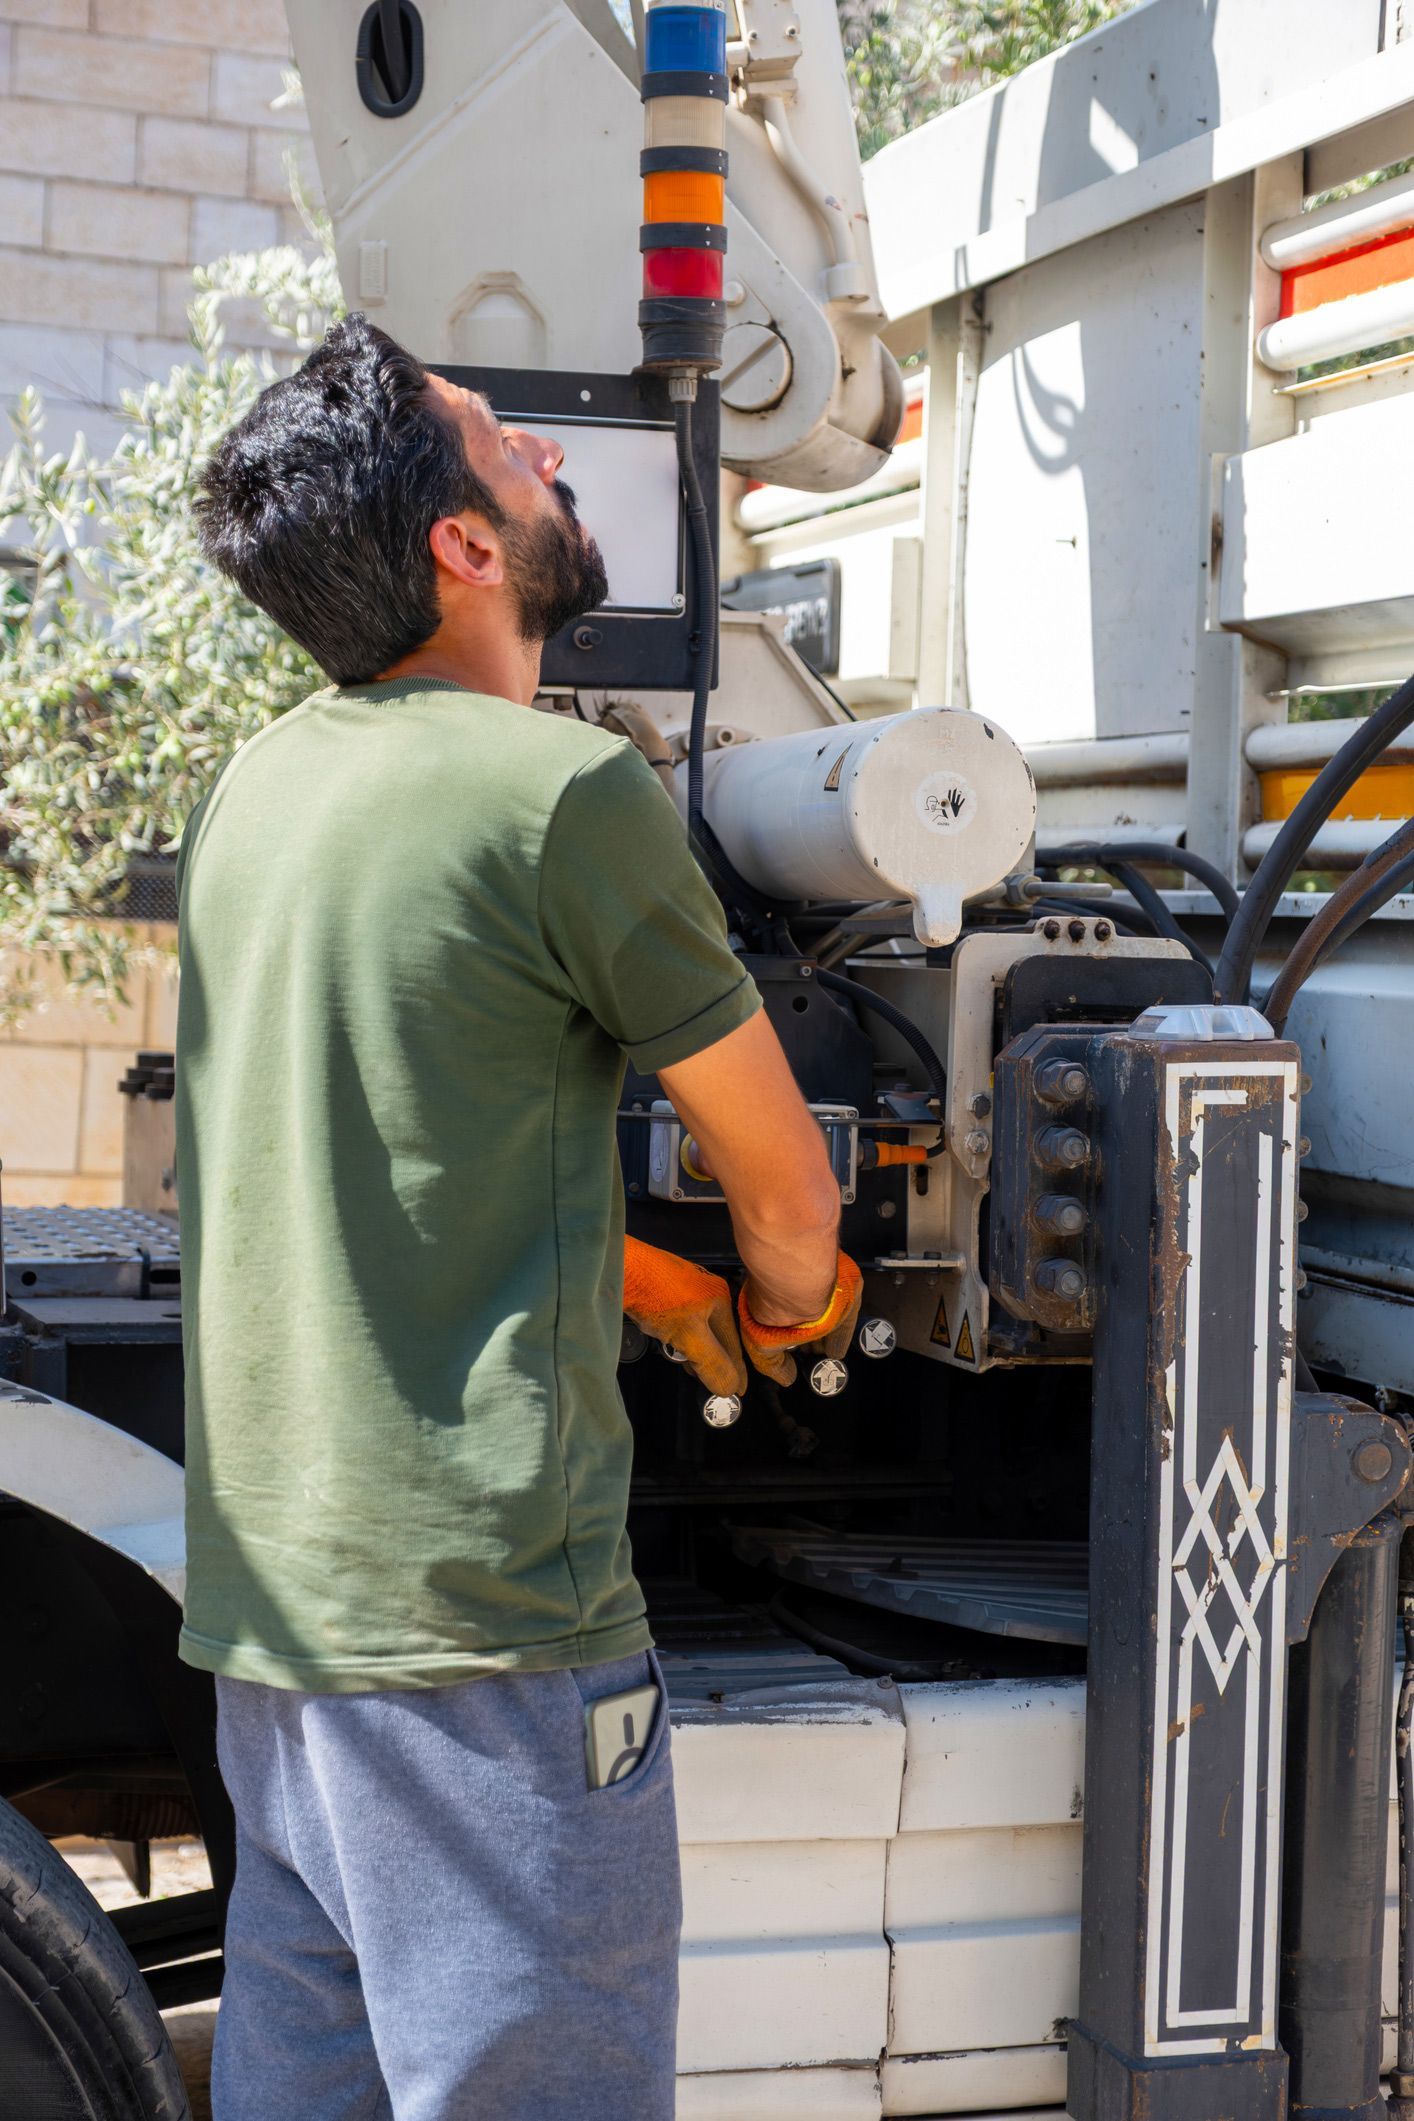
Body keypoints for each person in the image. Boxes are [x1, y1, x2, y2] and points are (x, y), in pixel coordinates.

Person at [178, 313, 861, 2121]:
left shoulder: (255, 791)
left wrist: (634, 1276)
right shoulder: (564, 790)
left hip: (283, 1642)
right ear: (462, 549)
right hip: (486, 1642)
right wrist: (794, 1294)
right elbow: (781, 1180)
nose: (554, 456)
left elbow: (366, 1148)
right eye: (506, 442)